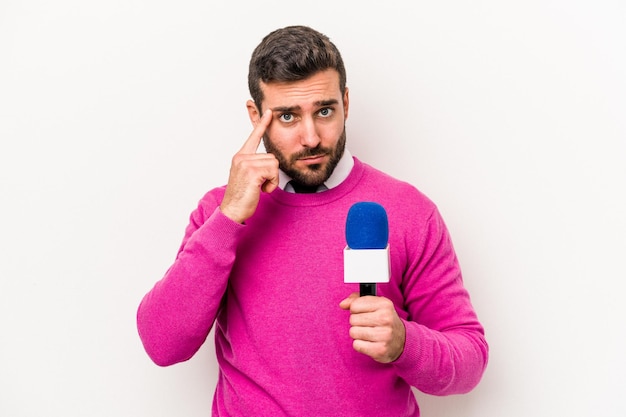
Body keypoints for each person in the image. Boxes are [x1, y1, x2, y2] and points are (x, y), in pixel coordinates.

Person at [137, 25, 488, 416]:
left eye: (324, 111)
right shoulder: (220, 212)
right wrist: (229, 216)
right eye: (287, 116)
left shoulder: (408, 210)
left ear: (346, 103)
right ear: (256, 116)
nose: (311, 137)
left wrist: (406, 342)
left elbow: (470, 359)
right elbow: (162, 344)